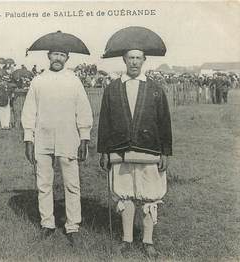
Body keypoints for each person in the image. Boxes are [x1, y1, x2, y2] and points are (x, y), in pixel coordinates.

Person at [97, 49, 172, 258]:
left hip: (150, 150)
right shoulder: (112, 89)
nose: (134, 62)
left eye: (138, 58)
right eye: (131, 58)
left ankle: (148, 241)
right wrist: (103, 151)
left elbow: (165, 122)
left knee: (150, 195)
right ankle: (127, 239)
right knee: (124, 192)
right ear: (124, 60)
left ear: (144, 61)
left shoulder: (155, 88)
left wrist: (165, 151)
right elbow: (104, 121)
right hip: (119, 150)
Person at [21, 49, 93, 246]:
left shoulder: (74, 81)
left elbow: (83, 110)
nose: (58, 58)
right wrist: (29, 138)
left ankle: (72, 226)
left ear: (67, 58)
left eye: (62, 55)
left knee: (72, 184)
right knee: (44, 184)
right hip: (42, 139)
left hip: (68, 139)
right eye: (55, 54)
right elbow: (29, 111)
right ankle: (47, 224)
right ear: (49, 57)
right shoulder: (38, 81)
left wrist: (84, 137)